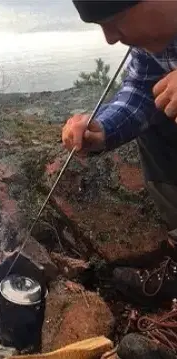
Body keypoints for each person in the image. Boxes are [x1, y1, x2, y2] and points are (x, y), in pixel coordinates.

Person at [66, 1, 177, 356]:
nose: (111, 39)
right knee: (159, 114)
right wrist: (104, 129)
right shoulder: (154, 44)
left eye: (114, 22)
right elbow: (143, 84)